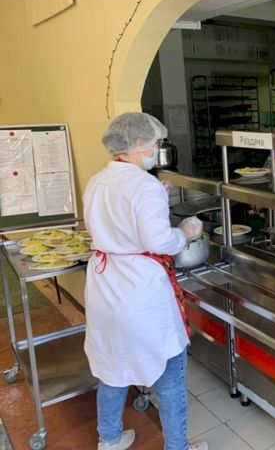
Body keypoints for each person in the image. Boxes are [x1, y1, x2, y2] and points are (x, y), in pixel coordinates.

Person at [83, 113, 208, 450]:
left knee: (112, 368)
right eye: (155, 143)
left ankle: (109, 439)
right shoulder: (144, 185)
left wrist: (155, 196)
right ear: (138, 144)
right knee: (169, 373)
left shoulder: (97, 181)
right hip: (139, 293)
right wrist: (185, 232)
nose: (157, 149)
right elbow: (159, 241)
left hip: (104, 285)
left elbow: (117, 217)